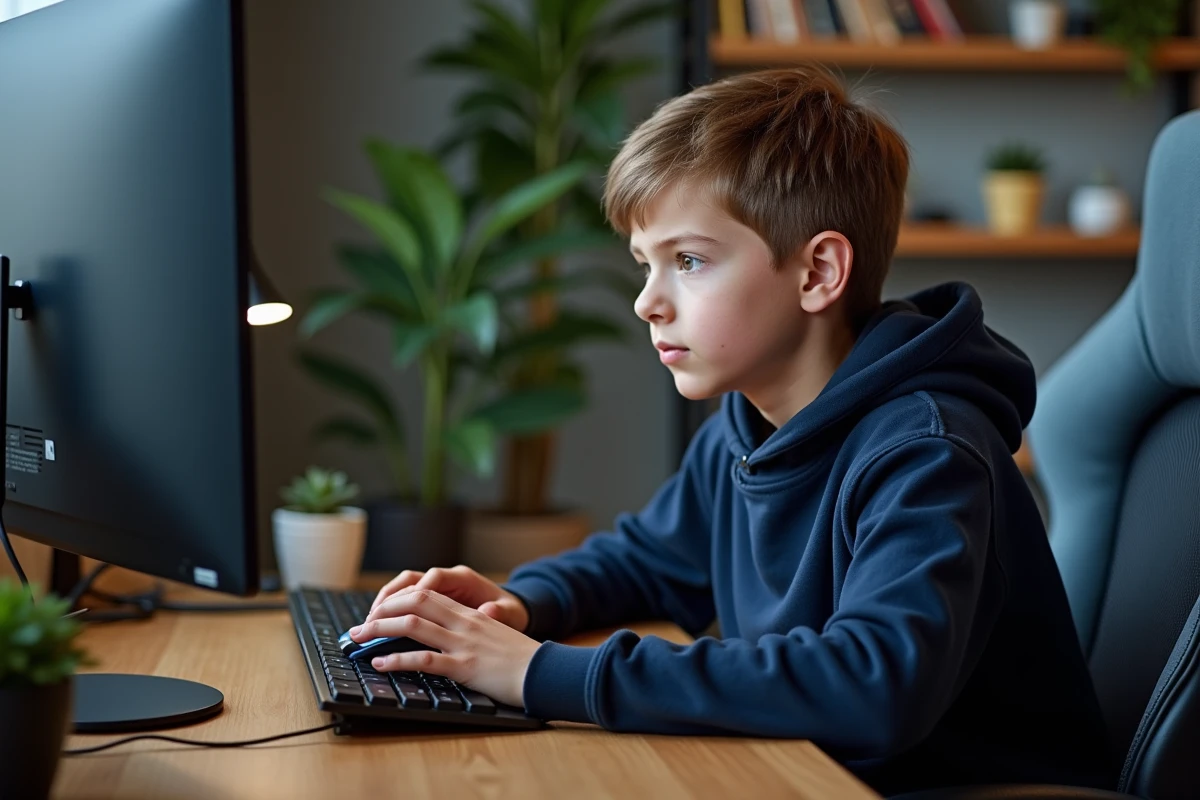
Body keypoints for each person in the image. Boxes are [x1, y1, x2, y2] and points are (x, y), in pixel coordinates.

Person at [346, 67, 1113, 795]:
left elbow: (873, 683)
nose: (649, 302)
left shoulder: (927, 451)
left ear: (817, 273)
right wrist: (518, 607)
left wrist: (538, 672)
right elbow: (649, 561)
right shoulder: (747, 424)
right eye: (645, 265)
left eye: (688, 260)